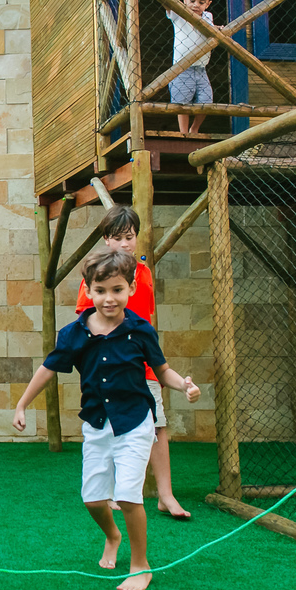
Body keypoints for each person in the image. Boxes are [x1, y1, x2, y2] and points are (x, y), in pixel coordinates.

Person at [14, 251, 200, 590]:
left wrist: (184, 385)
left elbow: (162, 371)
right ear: (88, 290)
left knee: (128, 496)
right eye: (100, 291)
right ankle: (113, 536)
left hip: (135, 422)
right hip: (97, 423)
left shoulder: (140, 331)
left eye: (117, 290)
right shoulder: (74, 333)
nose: (109, 298)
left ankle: (140, 566)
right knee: (93, 499)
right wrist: (22, 404)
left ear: (131, 289)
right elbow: (48, 368)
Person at [74, 206, 190, 520]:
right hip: (110, 368)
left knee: (157, 425)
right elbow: (86, 320)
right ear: (106, 239)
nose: (124, 244)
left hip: (143, 366)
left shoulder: (144, 272)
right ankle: (111, 491)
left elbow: (145, 317)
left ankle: (166, 495)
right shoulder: (95, 275)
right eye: (117, 238)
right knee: (110, 425)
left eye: (129, 237)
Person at [167, 0, 215, 134]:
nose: (196, 5)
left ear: (208, 4)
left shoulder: (208, 17)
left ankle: (194, 129)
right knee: (182, 102)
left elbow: (211, 30)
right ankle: (183, 133)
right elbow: (166, 3)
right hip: (182, 68)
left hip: (201, 69)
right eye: (192, 0)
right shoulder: (178, 14)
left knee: (206, 102)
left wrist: (218, 29)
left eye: (201, 2)